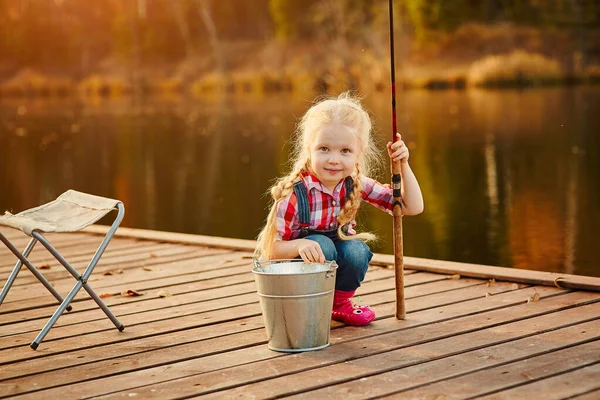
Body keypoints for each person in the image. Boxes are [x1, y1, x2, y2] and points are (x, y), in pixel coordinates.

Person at [255, 93, 424, 326]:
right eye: (324, 149)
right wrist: (300, 244)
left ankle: (337, 305)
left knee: (357, 251)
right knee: (321, 244)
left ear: (359, 153)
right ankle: (312, 303)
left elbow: (411, 207)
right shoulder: (294, 193)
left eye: (345, 151)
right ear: (309, 149)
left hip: (328, 266)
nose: (334, 159)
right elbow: (270, 250)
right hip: (297, 280)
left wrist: (403, 164)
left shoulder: (355, 183)